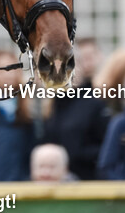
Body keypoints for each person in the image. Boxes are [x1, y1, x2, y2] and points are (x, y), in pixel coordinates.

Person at [39, 38, 111, 180]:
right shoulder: (52, 104)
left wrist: (74, 154)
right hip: (55, 182)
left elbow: (106, 147)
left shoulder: (96, 102)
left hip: (87, 181)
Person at [0, 52, 33, 181]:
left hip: (19, 190)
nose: (9, 74)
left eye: (13, 69)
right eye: (3, 69)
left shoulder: (26, 115)